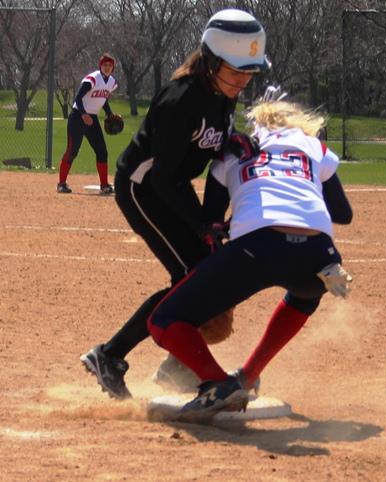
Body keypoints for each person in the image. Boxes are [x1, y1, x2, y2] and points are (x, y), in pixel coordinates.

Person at [80, 9, 270, 399]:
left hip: (172, 188)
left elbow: (209, 150)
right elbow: (163, 177)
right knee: (189, 277)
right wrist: (203, 224)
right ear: (212, 62)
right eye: (236, 73)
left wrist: (235, 145)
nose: (243, 82)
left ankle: (177, 368)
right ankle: (109, 355)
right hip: (143, 188)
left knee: (207, 277)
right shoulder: (181, 99)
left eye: (249, 74)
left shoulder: (222, 96)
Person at [144, 98, 353, 422]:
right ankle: (247, 376)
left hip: (257, 246)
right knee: (306, 292)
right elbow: (343, 213)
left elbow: (211, 221)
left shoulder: (232, 151)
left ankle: (218, 383)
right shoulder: (313, 146)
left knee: (163, 321)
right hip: (321, 254)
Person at [57, 53, 118, 195]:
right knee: (72, 150)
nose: (107, 67)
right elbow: (78, 97)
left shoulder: (111, 82)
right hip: (78, 116)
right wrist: (84, 114)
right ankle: (61, 184)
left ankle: (104, 185)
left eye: (110, 65)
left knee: (102, 151)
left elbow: (103, 99)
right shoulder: (93, 79)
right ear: (100, 66)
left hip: (92, 118)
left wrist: (109, 114)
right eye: (105, 65)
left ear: (113, 67)